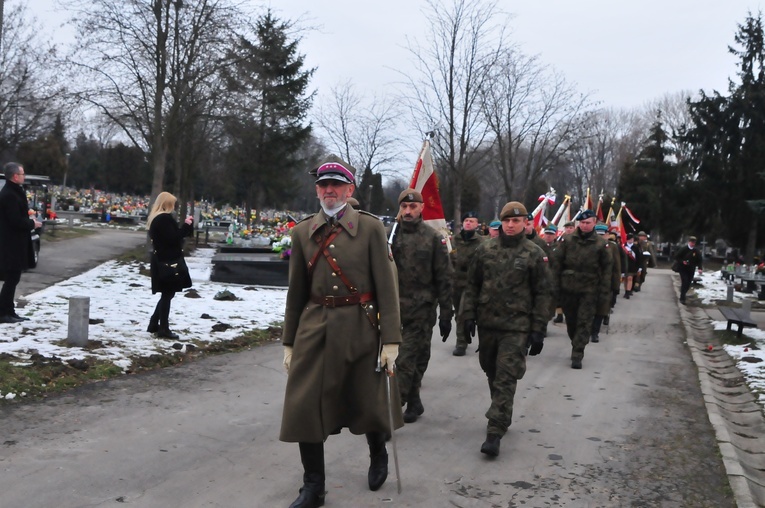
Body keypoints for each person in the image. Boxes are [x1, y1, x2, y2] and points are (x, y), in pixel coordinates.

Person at [280, 155, 403, 508]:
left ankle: (377, 452)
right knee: (305, 405)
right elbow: (296, 293)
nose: (329, 190)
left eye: (336, 185)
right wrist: (289, 342)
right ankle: (313, 487)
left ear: (349, 190)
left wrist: (391, 340)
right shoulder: (302, 231)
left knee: (367, 400)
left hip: (360, 326)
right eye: (323, 184)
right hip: (315, 328)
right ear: (316, 189)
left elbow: (386, 286)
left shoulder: (370, 228)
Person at [461, 201, 551, 457]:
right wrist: (467, 316)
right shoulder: (485, 250)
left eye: (516, 221)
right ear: (501, 222)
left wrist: (538, 329)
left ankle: (494, 430)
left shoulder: (533, 253)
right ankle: (502, 412)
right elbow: (472, 285)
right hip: (488, 324)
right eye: (507, 221)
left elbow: (543, 293)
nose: (511, 225)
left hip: (517, 327)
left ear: (525, 223)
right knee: (491, 371)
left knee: (506, 376)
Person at [390, 188, 453, 424]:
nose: (408, 211)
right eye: (404, 207)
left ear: (421, 208)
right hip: (393, 310)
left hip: (421, 312)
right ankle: (414, 401)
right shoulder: (390, 236)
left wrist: (447, 313)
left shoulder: (433, 238)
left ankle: (390, 414)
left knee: (407, 361)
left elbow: (444, 278)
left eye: (412, 206)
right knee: (410, 360)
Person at [552, 210, 612, 369]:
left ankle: (578, 352)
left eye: (588, 223)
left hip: (589, 289)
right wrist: (555, 286)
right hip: (568, 288)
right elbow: (557, 263)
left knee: (584, 322)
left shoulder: (600, 244)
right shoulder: (567, 240)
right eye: (582, 223)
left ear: (594, 223)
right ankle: (575, 341)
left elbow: (607, 269)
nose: (585, 226)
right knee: (571, 321)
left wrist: (605, 292)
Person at [147, 192, 194, 339]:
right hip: (167, 261)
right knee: (168, 293)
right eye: (172, 204)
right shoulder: (163, 219)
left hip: (163, 259)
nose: (174, 207)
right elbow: (173, 238)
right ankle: (163, 328)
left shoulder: (158, 218)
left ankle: (154, 323)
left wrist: (185, 228)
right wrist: (186, 226)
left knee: (167, 293)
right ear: (167, 204)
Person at [0, 162, 42, 323]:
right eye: (23, 174)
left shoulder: (15, 192)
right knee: (11, 279)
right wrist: (33, 224)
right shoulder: (9, 194)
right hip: (10, 244)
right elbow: (15, 221)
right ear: (15, 176)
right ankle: (3, 313)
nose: (24, 176)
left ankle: (9, 311)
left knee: (14, 278)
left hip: (16, 242)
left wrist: (29, 218)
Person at [450, 211, 485, 356]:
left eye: (472, 221)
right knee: (458, 314)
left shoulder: (482, 242)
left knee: (463, 313)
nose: (468, 223)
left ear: (477, 224)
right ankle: (464, 335)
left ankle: (461, 343)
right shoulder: (454, 240)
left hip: (471, 283)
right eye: (466, 221)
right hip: (455, 281)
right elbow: (448, 258)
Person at [590, 223, 620, 342]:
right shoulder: (589, 245)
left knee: (601, 309)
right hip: (589, 282)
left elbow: (616, 268)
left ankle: (595, 332)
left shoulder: (612, 247)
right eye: (598, 234)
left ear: (607, 235)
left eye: (603, 235)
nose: (600, 237)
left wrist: (616, 285)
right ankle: (587, 329)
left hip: (605, 283)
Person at [552, 221, 576, 323]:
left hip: (573, 271)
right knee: (559, 295)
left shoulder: (577, 240)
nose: (569, 229)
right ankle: (560, 314)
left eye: (571, 228)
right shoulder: (560, 240)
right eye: (567, 228)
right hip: (561, 271)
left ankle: (570, 314)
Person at [674, 235, 703, 304]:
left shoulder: (696, 251)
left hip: (691, 269)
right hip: (683, 269)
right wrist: (682, 261)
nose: (693, 244)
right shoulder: (684, 249)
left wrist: (700, 268)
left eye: (694, 242)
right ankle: (682, 298)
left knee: (688, 283)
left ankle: (683, 293)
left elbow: (699, 260)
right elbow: (677, 257)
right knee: (685, 281)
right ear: (689, 242)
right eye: (691, 242)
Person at [621, 233, 643, 299]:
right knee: (625, 279)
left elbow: (639, 257)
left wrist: (639, 267)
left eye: (632, 239)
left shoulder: (635, 247)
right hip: (624, 265)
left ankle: (628, 292)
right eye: (630, 239)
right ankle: (626, 290)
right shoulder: (623, 246)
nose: (631, 240)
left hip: (633, 266)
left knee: (630, 278)